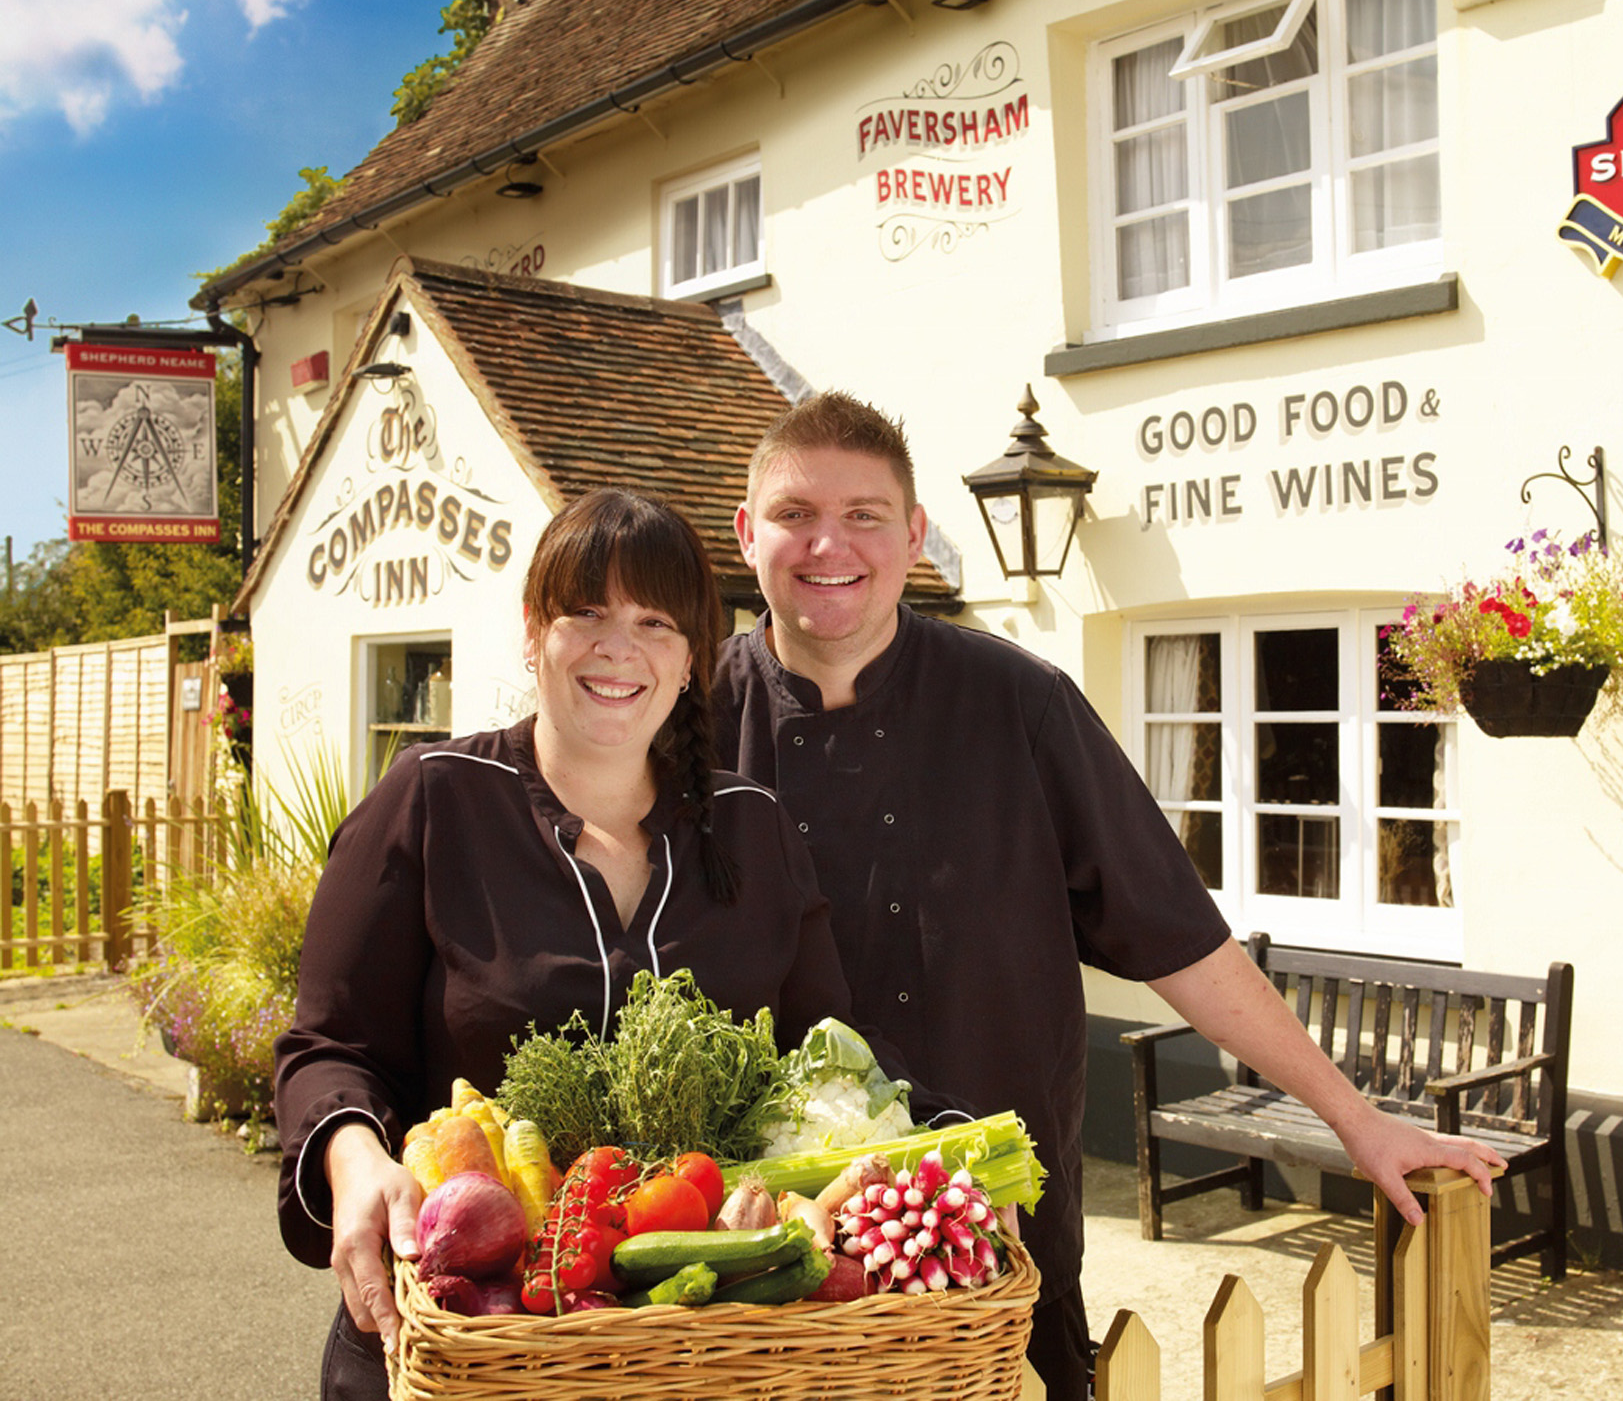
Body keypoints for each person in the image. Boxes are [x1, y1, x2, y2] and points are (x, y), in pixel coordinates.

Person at [714, 391, 1508, 1401]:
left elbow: (1180, 940)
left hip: (998, 1238)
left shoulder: (1022, 703)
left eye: (863, 514)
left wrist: (1356, 1120)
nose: (828, 543)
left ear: (914, 533)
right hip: (755, 1263)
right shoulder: (687, 720)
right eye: (794, 514)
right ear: (748, 533)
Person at [274, 488, 881, 1401]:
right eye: (585, 613)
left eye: (655, 622)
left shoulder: (753, 828)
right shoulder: (433, 798)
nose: (617, 647)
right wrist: (354, 1154)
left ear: (689, 662)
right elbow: (327, 1047)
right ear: (533, 631)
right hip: (467, 1334)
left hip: (706, 1354)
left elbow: (826, 1058)